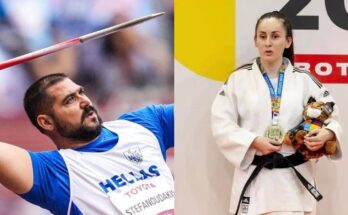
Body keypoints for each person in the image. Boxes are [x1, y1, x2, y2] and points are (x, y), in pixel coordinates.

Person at [211, 11, 342, 215]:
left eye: (275, 36)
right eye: (262, 36)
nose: (268, 43)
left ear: (288, 41)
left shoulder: (304, 79)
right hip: (255, 181)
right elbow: (221, 124)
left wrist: (327, 133)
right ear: (255, 40)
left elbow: (331, 113)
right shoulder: (238, 79)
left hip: (294, 183)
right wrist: (254, 141)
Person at [0, 73, 174, 215]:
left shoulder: (144, 124)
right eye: (69, 100)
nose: (85, 102)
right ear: (46, 122)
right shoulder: (53, 173)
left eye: (81, 92)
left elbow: (199, 105)